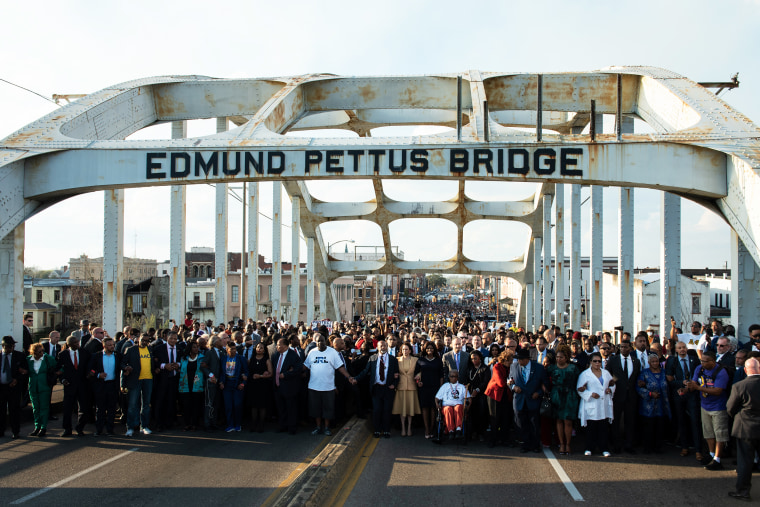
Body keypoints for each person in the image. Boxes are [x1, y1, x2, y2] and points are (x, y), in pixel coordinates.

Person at [686, 350, 730, 470]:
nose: (703, 363)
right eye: (702, 360)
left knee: (720, 434)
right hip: (705, 405)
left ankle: (718, 459)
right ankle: (711, 454)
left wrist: (698, 388)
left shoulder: (721, 372)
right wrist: (688, 386)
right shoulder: (699, 368)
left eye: (705, 361)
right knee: (708, 432)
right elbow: (694, 382)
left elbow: (718, 391)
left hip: (718, 407)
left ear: (713, 361)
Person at [726, 357, 760, 501]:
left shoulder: (740, 386)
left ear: (745, 370)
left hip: (745, 428)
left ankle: (743, 491)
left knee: (745, 462)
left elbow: (730, 408)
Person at [303, 334, 351, 436]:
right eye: (318, 341)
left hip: (328, 387)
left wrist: (349, 377)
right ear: (316, 342)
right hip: (314, 387)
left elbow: (340, 367)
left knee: (328, 409)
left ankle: (326, 427)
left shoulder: (332, 352)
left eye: (322, 341)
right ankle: (318, 427)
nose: (320, 343)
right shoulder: (312, 352)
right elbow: (305, 366)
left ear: (326, 342)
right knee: (316, 409)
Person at [352, 339, 399, 438]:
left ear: (387, 347)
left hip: (388, 388)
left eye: (385, 346)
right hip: (376, 388)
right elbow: (365, 371)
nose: (383, 348)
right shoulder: (372, 358)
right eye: (381, 346)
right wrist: (356, 379)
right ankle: (377, 430)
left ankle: (386, 430)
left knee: (387, 410)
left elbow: (397, 374)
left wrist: (394, 384)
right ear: (377, 347)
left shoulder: (393, 359)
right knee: (377, 410)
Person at [665, 341, 702, 459]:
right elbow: (670, 380)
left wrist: (691, 384)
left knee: (695, 421)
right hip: (678, 394)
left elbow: (699, 375)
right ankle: (684, 447)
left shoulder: (694, 359)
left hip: (692, 393)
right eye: (679, 348)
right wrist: (681, 383)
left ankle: (698, 449)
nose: (682, 349)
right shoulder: (672, 361)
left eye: (684, 347)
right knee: (681, 421)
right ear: (676, 350)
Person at [576, 352, 615, 457]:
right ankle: (589, 448)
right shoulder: (585, 374)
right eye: (595, 361)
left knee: (603, 428)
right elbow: (579, 389)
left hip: (604, 404)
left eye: (599, 361)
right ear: (590, 362)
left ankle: (604, 448)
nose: (597, 363)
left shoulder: (606, 373)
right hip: (592, 404)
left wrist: (609, 390)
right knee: (591, 428)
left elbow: (613, 384)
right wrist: (590, 394)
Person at [606, 339, 640, 453]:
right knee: (615, 421)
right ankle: (616, 445)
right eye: (621, 347)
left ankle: (629, 445)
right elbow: (608, 375)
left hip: (631, 396)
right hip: (617, 395)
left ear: (630, 348)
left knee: (630, 421)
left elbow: (636, 377)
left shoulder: (636, 361)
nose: (623, 349)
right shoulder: (613, 360)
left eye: (626, 347)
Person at [509, 348, 546, 453]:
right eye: (518, 359)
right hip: (519, 399)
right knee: (521, 422)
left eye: (521, 359)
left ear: (527, 359)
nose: (519, 361)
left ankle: (535, 444)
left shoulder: (538, 368)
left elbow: (544, 383)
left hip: (533, 399)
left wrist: (538, 393)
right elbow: (509, 380)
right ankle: (525, 444)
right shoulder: (514, 366)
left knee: (534, 422)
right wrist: (513, 387)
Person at [548, 345, 580, 455]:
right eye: (557, 357)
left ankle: (568, 444)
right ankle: (561, 444)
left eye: (561, 357)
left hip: (570, 395)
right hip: (556, 395)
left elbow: (578, 381)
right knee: (558, 420)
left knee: (568, 421)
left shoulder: (573, 368)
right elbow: (544, 380)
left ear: (566, 357)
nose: (558, 359)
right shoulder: (552, 368)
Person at [636, 353, 671, 453]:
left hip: (662, 405)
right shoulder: (644, 373)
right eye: (653, 362)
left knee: (660, 426)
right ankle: (647, 447)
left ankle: (658, 447)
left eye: (657, 361)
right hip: (648, 405)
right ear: (649, 363)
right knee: (648, 427)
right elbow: (638, 387)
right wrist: (650, 393)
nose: (655, 363)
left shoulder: (664, 372)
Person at [121, 333, 154, 436]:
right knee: (132, 405)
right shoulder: (131, 350)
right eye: (143, 340)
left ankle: (144, 426)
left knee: (146, 405)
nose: (144, 342)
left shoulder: (150, 350)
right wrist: (126, 369)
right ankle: (130, 427)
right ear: (138, 339)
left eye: (146, 341)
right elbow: (122, 364)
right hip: (135, 380)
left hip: (148, 379)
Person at [56, 335, 90, 436]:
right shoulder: (62, 354)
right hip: (69, 385)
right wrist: (62, 380)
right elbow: (59, 369)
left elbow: (90, 366)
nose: (77, 344)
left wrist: (90, 374)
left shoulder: (84, 353)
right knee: (67, 408)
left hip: (82, 384)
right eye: (75, 343)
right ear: (69, 344)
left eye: (77, 342)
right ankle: (67, 429)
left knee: (83, 408)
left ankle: (80, 427)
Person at [88, 336, 120, 436]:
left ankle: (110, 429)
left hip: (113, 385)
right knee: (100, 409)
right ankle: (99, 429)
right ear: (104, 346)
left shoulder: (118, 355)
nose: (112, 347)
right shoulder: (96, 356)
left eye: (113, 345)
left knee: (111, 409)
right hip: (101, 385)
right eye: (109, 345)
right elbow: (90, 369)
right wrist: (98, 375)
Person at [272, 337, 303, 434]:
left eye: (279, 344)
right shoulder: (276, 355)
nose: (277, 346)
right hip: (278, 386)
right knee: (281, 408)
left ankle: (292, 427)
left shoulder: (293, 355)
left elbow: (298, 369)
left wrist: (286, 374)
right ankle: (282, 425)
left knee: (291, 408)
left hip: (289, 387)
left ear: (285, 346)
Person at [26, 342, 57, 437]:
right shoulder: (28, 360)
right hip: (33, 386)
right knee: (35, 407)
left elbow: (58, 366)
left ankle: (43, 427)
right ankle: (37, 426)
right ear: (33, 352)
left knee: (44, 407)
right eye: (39, 352)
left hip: (44, 386)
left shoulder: (48, 359)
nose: (41, 353)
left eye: (42, 351)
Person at [153, 331, 181, 431]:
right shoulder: (159, 348)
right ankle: (159, 423)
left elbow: (181, 360)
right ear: (167, 338)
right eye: (171, 338)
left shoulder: (179, 349)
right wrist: (164, 366)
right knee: (160, 401)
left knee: (171, 401)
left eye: (175, 339)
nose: (173, 340)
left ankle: (169, 422)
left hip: (173, 378)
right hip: (162, 379)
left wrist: (178, 364)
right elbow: (154, 362)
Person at [0, 336, 27, 439]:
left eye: (13, 346)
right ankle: (1, 430)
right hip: (1, 388)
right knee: (1, 410)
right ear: (3, 346)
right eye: (9, 346)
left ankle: (15, 431)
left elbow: (25, 371)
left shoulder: (19, 356)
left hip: (13, 388)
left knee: (14, 410)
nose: (11, 348)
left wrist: (16, 379)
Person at [392, 342, 421, 437]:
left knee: (410, 410)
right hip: (401, 387)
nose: (405, 351)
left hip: (412, 387)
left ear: (410, 350)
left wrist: (419, 375)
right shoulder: (397, 360)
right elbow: (392, 371)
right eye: (403, 349)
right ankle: (403, 428)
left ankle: (409, 428)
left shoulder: (415, 360)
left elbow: (421, 370)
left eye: (406, 349)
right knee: (402, 410)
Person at [416, 341, 443, 439]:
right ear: (424, 349)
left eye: (431, 348)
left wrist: (440, 388)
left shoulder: (438, 361)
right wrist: (418, 382)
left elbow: (441, 375)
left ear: (434, 349)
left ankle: (432, 428)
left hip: (435, 387)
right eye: (428, 348)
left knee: (433, 408)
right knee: (425, 408)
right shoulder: (420, 360)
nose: (429, 350)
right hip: (424, 387)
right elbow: (416, 374)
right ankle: (426, 429)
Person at [220, 342, 248, 432]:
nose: (233, 351)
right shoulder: (223, 359)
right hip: (227, 384)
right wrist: (221, 382)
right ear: (227, 350)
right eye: (231, 349)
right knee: (228, 406)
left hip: (237, 384)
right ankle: (230, 424)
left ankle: (238, 424)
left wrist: (243, 383)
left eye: (234, 349)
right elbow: (221, 372)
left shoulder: (241, 359)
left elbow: (246, 372)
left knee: (237, 405)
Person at [435, 370, 470, 439]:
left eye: (455, 376)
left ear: (458, 377)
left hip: (458, 405)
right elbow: (437, 398)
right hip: (447, 405)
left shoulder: (462, 387)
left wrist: (467, 407)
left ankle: (458, 429)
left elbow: (469, 399)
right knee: (448, 409)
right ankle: (450, 430)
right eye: (452, 376)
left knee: (458, 408)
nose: (453, 378)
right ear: (449, 377)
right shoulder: (445, 386)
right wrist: (437, 404)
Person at [178, 340, 204, 431]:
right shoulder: (184, 358)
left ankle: (194, 424)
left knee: (195, 405)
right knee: (186, 405)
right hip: (185, 384)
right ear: (189, 349)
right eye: (194, 347)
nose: (196, 348)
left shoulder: (201, 358)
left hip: (197, 384)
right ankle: (187, 424)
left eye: (197, 347)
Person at [247, 342, 273, 432]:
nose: (259, 349)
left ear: (264, 350)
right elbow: (248, 371)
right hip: (253, 385)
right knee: (254, 406)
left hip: (263, 385)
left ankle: (261, 424)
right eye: (258, 347)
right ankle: (254, 423)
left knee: (262, 406)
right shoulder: (251, 359)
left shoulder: (267, 360)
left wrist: (261, 376)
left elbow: (271, 373)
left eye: (261, 348)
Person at [200, 335, 225, 431]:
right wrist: (210, 375)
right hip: (211, 381)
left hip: (219, 382)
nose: (221, 341)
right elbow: (203, 366)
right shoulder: (209, 352)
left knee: (216, 403)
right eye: (219, 340)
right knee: (209, 403)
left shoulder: (222, 352)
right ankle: (207, 423)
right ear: (214, 342)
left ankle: (213, 422)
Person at [465, 350, 490, 441]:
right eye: (472, 359)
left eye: (475, 358)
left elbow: (485, 382)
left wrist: (478, 390)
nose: (473, 360)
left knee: (481, 412)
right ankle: (473, 432)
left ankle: (481, 433)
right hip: (471, 394)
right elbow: (467, 380)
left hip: (481, 394)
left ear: (480, 358)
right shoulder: (470, 369)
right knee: (471, 413)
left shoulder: (484, 368)